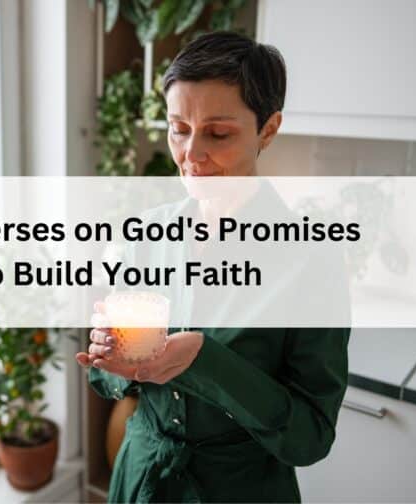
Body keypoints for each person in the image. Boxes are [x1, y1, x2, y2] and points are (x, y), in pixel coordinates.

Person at [75, 31, 350, 503]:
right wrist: (115, 362)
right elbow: (103, 377)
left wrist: (208, 362)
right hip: (140, 477)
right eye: (178, 128)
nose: (191, 154)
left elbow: (310, 437)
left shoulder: (311, 262)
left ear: (268, 128)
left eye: (218, 133)